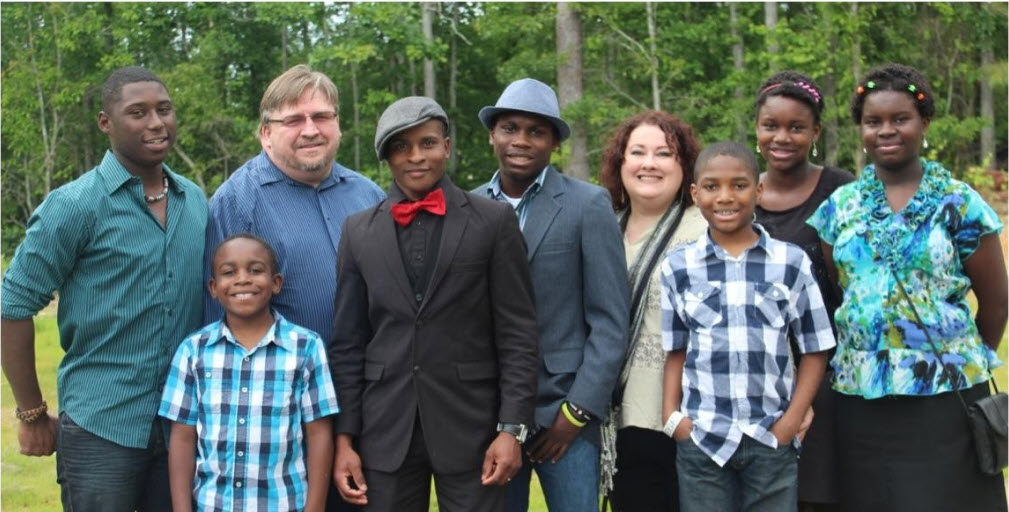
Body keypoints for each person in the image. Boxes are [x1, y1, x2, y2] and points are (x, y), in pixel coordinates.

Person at [0, 66, 207, 510]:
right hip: (101, 428)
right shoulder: (74, 206)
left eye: (164, 110)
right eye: (138, 112)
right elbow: (11, 306)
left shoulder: (195, 200)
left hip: (183, 425)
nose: (156, 123)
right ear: (105, 123)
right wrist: (31, 413)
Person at [808, 63, 1008, 512]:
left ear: (924, 124)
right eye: (873, 121)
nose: (886, 130)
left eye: (900, 119)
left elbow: (995, 302)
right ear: (860, 128)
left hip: (945, 398)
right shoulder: (840, 206)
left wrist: (955, 357)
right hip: (860, 397)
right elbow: (841, 289)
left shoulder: (959, 203)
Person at [329, 96, 539, 512]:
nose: (416, 157)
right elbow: (348, 344)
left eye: (426, 143)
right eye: (401, 147)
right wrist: (344, 439)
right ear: (386, 157)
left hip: (473, 429)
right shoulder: (357, 232)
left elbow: (518, 333)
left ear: (446, 145)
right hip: (384, 430)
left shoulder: (493, 222)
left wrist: (511, 430)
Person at [473, 77, 630, 512]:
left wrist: (576, 413)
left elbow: (611, 322)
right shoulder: (469, 209)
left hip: (564, 418)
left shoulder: (588, 205)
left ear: (554, 143)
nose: (521, 141)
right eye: (510, 128)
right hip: (490, 416)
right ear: (492, 135)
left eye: (536, 131)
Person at [661, 141, 835, 512]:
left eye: (739, 185)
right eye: (711, 186)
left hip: (770, 437)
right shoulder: (679, 267)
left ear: (758, 191)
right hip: (703, 439)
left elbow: (816, 349)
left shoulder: (791, 262)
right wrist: (673, 418)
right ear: (695, 194)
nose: (725, 197)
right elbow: (676, 348)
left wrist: (790, 422)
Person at [204, 63, 384, 346]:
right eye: (293, 120)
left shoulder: (370, 196)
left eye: (322, 116)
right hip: (281, 384)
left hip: (369, 381)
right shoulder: (236, 203)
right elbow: (216, 316)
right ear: (266, 134)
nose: (310, 130)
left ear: (338, 124)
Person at [160, 234, 339, 511]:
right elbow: (182, 437)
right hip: (213, 504)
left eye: (255, 270)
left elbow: (319, 434)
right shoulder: (193, 352)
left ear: (276, 282)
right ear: (213, 287)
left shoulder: (306, 348)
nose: (242, 279)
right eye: (229, 272)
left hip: (283, 503)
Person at [752, 71, 854, 512]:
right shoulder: (739, 190)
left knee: (816, 497)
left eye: (797, 127)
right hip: (754, 379)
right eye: (771, 125)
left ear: (816, 132)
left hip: (826, 379)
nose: (782, 137)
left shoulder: (840, 189)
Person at [595, 110, 705, 511]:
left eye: (664, 153)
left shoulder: (707, 229)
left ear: (684, 165)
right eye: (637, 152)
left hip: (692, 416)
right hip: (620, 419)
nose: (649, 163)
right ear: (621, 163)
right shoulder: (602, 226)